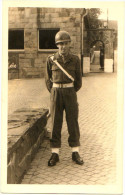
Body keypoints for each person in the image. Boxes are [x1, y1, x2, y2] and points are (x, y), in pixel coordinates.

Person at [45, 30, 84, 166]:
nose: (63, 47)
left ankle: (75, 152)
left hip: (70, 92)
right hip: (56, 93)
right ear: (57, 45)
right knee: (55, 122)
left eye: (65, 43)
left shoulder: (75, 59)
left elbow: (78, 81)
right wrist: (55, 92)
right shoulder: (51, 60)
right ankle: (55, 153)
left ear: (69, 44)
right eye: (60, 44)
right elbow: (47, 80)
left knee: (72, 121)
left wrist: (70, 90)